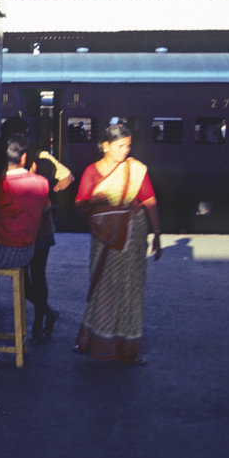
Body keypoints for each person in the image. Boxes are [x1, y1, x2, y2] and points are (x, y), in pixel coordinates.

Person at [73, 124, 162, 365]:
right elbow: (80, 204)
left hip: (133, 237)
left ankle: (127, 347)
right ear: (105, 146)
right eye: (120, 146)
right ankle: (95, 340)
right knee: (103, 286)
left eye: (128, 145)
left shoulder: (135, 169)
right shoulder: (92, 172)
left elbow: (150, 201)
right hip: (105, 239)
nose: (126, 150)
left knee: (131, 289)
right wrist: (94, 201)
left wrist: (157, 233)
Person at [0, 117, 74, 344]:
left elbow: (66, 177)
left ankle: (43, 317)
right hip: (41, 229)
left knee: (23, 276)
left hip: (18, 229)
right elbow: (67, 177)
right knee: (38, 276)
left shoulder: (4, 156)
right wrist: (47, 189)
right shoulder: (39, 155)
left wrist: (45, 189)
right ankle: (43, 318)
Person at [0, 134, 50, 269]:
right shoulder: (42, 183)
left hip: (1, 254)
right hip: (28, 252)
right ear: (23, 157)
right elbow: (45, 212)